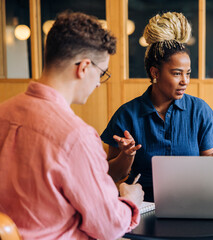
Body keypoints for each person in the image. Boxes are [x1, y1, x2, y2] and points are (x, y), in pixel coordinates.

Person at [0, 11, 144, 240]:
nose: (98, 84)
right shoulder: (77, 136)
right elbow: (109, 227)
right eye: (102, 73)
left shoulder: (3, 113)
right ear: (84, 67)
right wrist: (130, 200)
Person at [101, 12, 213, 202]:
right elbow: (111, 176)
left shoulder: (199, 110)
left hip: (192, 201)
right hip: (143, 203)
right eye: (177, 73)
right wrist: (126, 155)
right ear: (155, 72)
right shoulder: (127, 114)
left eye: (188, 73)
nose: (185, 81)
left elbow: (208, 163)